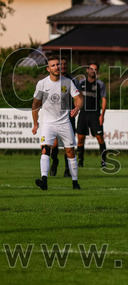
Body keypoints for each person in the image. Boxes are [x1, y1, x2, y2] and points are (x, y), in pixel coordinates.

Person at [32, 55, 83, 190]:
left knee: (70, 151)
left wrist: (77, 107)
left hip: (64, 122)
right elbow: (35, 104)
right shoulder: (42, 84)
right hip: (48, 123)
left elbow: (79, 98)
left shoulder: (67, 82)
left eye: (58, 64)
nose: (57, 67)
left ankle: (75, 182)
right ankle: (44, 180)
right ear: (48, 69)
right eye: (53, 65)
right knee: (45, 149)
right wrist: (35, 123)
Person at [49, 56, 79, 177]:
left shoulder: (72, 80)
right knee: (54, 144)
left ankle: (67, 169)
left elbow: (78, 97)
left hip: (68, 116)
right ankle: (55, 161)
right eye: (60, 64)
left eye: (65, 64)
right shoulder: (51, 80)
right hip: (54, 116)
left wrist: (76, 107)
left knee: (69, 144)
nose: (62, 66)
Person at [76, 63, 108, 168]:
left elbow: (104, 100)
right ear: (87, 70)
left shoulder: (100, 84)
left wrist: (102, 115)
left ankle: (103, 162)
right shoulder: (81, 83)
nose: (92, 71)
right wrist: (76, 108)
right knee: (80, 138)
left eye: (95, 69)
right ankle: (80, 162)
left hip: (95, 114)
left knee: (100, 138)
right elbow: (77, 97)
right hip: (83, 113)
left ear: (97, 71)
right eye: (91, 69)